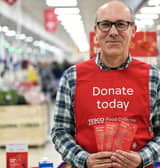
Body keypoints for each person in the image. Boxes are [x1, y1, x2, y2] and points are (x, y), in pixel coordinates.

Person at [51, 1, 160, 168]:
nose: (113, 32)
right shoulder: (72, 77)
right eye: (106, 25)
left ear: (133, 30)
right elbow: (60, 131)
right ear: (96, 31)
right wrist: (83, 159)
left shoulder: (153, 76)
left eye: (121, 25)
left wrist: (142, 158)